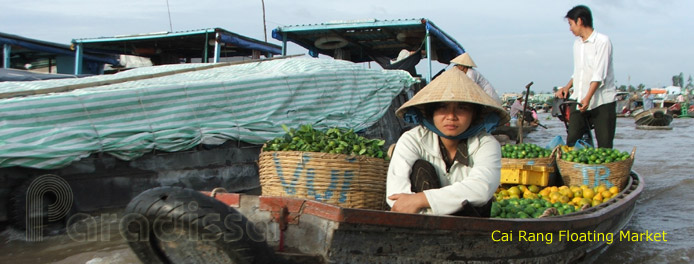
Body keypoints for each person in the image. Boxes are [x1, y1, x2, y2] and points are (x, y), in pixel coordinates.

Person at [386, 67, 510, 215]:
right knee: (420, 167)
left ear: (474, 114)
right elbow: (396, 195)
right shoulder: (413, 139)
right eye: (442, 107)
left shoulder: (486, 144)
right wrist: (424, 210)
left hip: (469, 221)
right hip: (420, 221)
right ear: (432, 112)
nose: (451, 116)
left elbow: (481, 188)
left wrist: (421, 199)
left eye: (462, 108)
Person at [554, 5, 617, 148]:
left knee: (605, 146)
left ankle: (603, 170)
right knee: (572, 141)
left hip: (602, 101)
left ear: (580, 21)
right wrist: (567, 86)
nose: (570, 28)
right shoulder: (577, 44)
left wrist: (587, 98)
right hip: (579, 98)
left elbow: (599, 74)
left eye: (571, 24)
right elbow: (579, 72)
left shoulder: (602, 41)